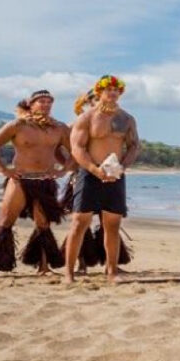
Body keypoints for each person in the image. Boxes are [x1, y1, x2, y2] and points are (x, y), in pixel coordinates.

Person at [0, 90, 72, 277]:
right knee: (5, 222)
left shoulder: (59, 128)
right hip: (20, 181)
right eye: (41, 102)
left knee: (43, 225)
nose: (45, 105)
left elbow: (75, 152)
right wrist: (4, 170)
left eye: (49, 102)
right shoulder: (17, 125)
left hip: (45, 181)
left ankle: (44, 266)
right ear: (31, 104)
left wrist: (63, 170)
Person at [66, 75, 139, 284]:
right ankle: (69, 273)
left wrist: (123, 167)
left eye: (117, 90)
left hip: (115, 174)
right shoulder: (87, 118)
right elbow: (77, 148)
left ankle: (112, 271)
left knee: (112, 224)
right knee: (79, 222)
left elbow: (134, 145)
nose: (113, 93)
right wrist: (93, 169)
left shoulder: (126, 119)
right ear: (99, 92)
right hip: (90, 174)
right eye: (109, 89)